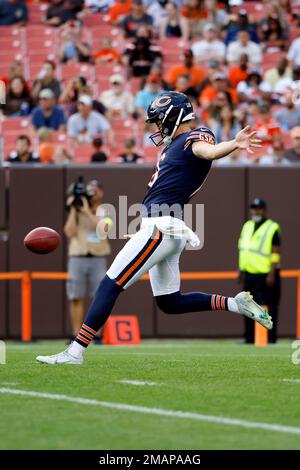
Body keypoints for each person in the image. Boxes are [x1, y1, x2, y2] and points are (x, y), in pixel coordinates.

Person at [36, 91, 273, 365]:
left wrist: (233, 143)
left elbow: (206, 151)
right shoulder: (175, 146)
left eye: (161, 120)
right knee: (169, 302)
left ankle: (75, 351)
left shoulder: (194, 138)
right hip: (162, 226)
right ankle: (235, 304)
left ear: (174, 117)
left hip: (161, 227)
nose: (158, 127)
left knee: (109, 284)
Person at [63, 179, 111, 342]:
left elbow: (103, 230)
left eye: (95, 190)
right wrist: (73, 210)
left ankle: (95, 334)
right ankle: (76, 334)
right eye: (89, 190)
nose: (92, 193)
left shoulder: (104, 210)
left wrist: (86, 212)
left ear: (101, 192)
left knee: (99, 297)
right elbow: (69, 232)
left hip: (97, 257)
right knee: (75, 296)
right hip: (78, 256)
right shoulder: (77, 210)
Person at [238, 198, 281, 344]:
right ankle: (249, 338)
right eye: (254, 208)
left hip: (265, 274)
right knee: (247, 306)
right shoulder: (247, 225)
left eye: (259, 208)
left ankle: (270, 338)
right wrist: (241, 270)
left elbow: (275, 252)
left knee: (267, 307)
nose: (256, 211)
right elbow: (243, 249)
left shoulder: (272, 227)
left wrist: (272, 273)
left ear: (264, 210)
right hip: (249, 273)